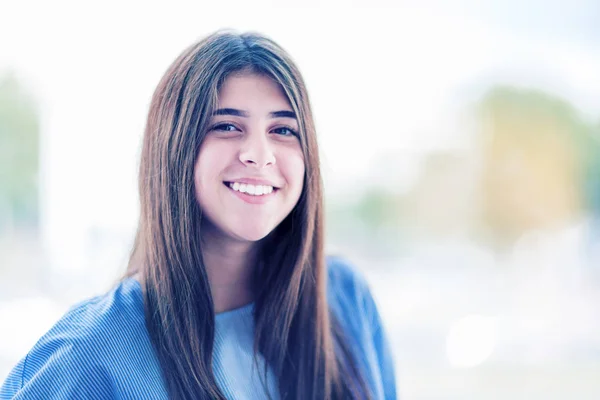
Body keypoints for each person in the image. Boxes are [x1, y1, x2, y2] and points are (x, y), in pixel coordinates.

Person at [0, 30, 397, 400]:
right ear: (174, 149)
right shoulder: (91, 353)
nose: (259, 153)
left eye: (283, 131)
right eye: (226, 125)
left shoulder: (345, 299)